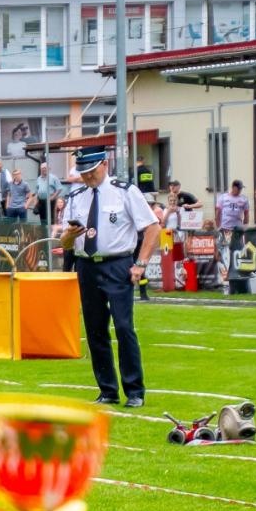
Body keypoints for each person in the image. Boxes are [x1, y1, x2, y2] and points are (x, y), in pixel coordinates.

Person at [60, 146, 158, 407]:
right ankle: (108, 390)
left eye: (91, 171)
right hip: (87, 266)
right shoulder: (77, 196)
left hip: (118, 264)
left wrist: (141, 263)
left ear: (104, 164)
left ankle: (135, 391)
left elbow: (152, 228)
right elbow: (65, 242)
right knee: (95, 330)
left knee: (124, 327)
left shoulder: (125, 191)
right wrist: (70, 236)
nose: (88, 177)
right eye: (83, 173)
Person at [216, 180, 249, 250]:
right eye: (239, 188)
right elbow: (218, 211)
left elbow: (246, 213)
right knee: (225, 246)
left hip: (237, 228)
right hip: (225, 227)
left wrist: (245, 224)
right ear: (233, 187)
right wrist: (218, 225)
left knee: (237, 247)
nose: (240, 190)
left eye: (241, 189)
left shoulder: (243, 199)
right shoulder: (223, 197)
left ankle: (236, 258)